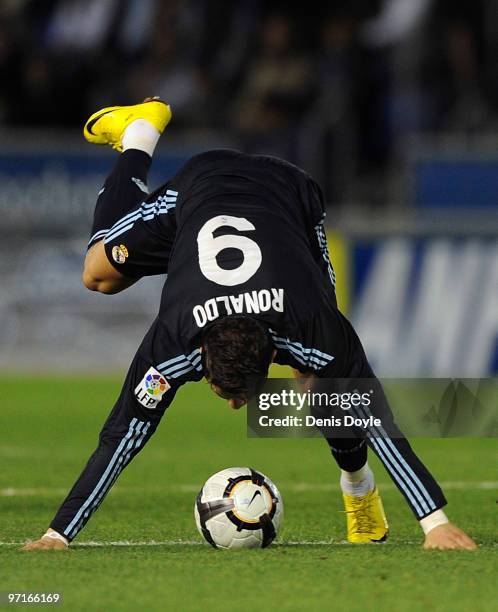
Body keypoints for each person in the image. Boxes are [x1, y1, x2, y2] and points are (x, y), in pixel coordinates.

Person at [22, 98, 476, 551]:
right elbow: (123, 434)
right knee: (98, 275)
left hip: (292, 196)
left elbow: (375, 417)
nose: (236, 406)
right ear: (200, 352)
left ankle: (357, 484)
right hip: (200, 188)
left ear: (272, 351)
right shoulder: (174, 337)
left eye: (241, 395)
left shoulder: (313, 325)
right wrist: (56, 534)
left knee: (328, 388)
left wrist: (435, 523)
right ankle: (140, 134)